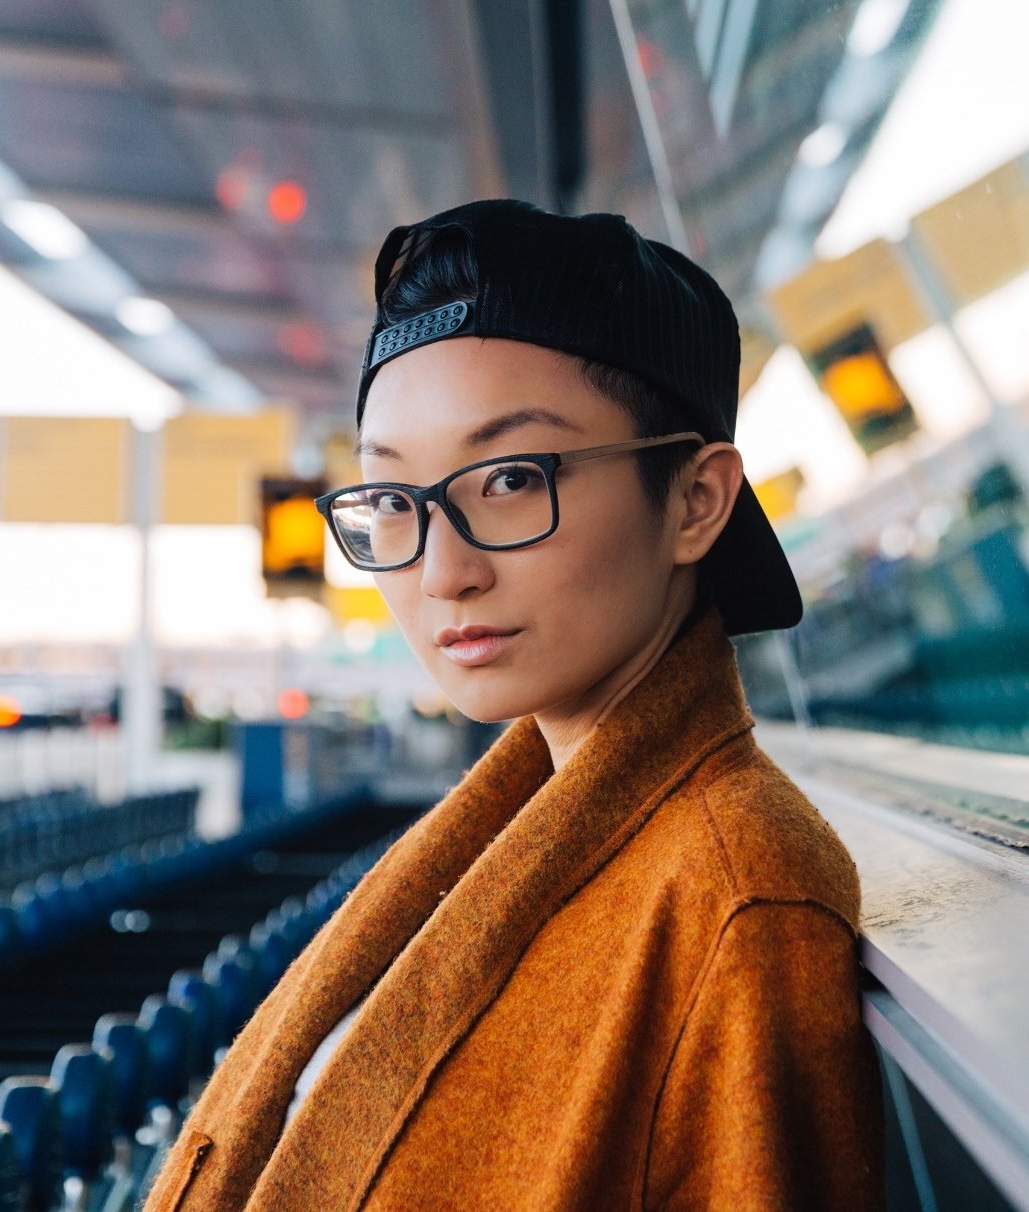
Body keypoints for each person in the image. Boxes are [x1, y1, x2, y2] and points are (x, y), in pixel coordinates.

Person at [145, 200, 883, 1211]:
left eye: (507, 478)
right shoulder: (512, 826)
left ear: (695, 501)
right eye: (390, 498)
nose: (442, 572)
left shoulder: (737, 897)